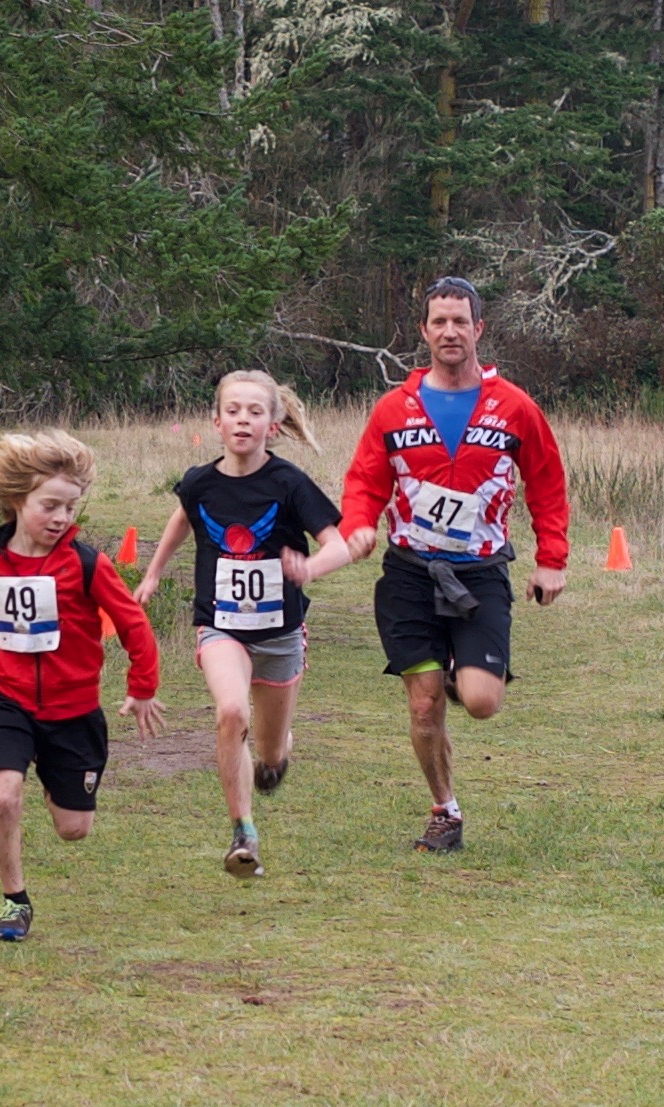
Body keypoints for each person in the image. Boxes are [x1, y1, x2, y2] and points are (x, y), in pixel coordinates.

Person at [338, 278, 569, 853]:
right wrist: (357, 525)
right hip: (411, 573)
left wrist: (551, 560)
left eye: (459, 322)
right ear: (424, 331)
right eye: (438, 322)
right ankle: (445, 809)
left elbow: (546, 482)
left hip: (480, 573)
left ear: (478, 330)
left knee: (484, 702)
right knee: (423, 706)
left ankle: (456, 671)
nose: (449, 332)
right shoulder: (395, 408)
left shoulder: (514, 407)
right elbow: (365, 481)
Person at [0, 430, 165, 941]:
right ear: (17, 500)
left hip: (74, 713)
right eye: (50, 505)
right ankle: (14, 902)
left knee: (73, 829)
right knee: (2, 797)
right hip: (10, 702)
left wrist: (143, 687)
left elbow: (133, 623)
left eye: (70, 507)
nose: (62, 518)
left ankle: (52, 774)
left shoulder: (87, 564)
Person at [134, 371, 349, 878]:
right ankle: (242, 832)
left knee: (270, 755)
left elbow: (337, 544)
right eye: (233, 411)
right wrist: (153, 573)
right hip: (221, 626)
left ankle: (275, 758)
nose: (243, 420)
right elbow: (183, 517)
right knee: (231, 713)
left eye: (255, 412)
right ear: (216, 422)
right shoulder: (199, 481)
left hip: (279, 632)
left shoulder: (289, 482)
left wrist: (310, 567)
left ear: (273, 424)